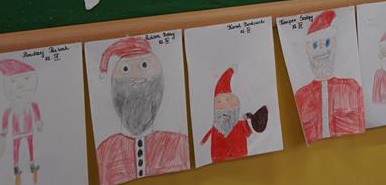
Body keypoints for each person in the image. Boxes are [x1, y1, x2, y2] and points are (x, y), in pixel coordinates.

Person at [95, 37, 189, 185]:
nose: (136, 78)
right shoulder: (105, 152)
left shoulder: (180, 145)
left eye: (144, 65)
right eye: (126, 69)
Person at [293, 11, 365, 142]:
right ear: (308, 51)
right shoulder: (301, 96)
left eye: (326, 43)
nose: (321, 51)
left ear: (334, 45)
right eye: (315, 45)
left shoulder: (352, 89)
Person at [0, 59, 43, 185]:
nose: (20, 86)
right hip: (17, 132)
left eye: (25, 79)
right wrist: (4, 130)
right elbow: (6, 116)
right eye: (13, 81)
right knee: (16, 148)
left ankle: (32, 164)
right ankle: (16, 166)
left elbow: (36, 111)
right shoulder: (12, 108)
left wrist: (38, 122)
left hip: (28, 130)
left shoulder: (31, 104)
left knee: (30, 146)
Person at [199, 68, 268, 163]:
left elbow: (250, 129)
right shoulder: (227, 123)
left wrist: (253, 119)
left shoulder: (234, 122)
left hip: (227, 155)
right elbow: (249, 130)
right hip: (226, 156)